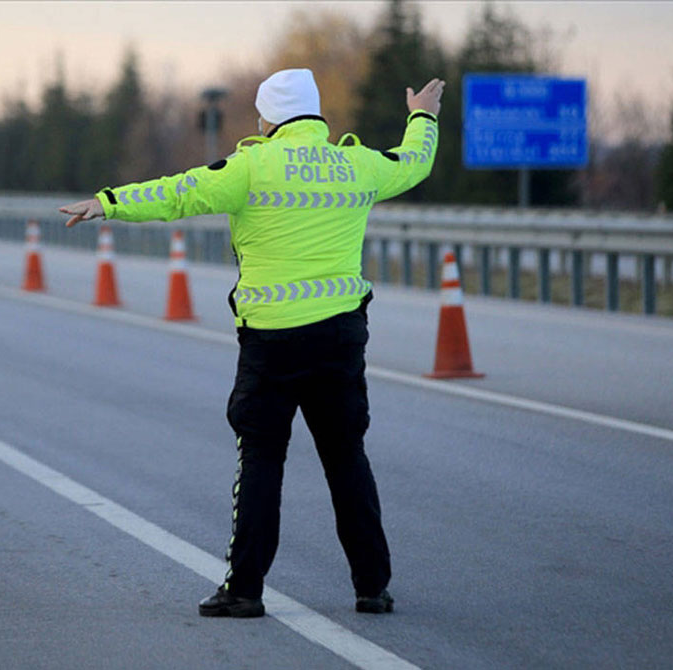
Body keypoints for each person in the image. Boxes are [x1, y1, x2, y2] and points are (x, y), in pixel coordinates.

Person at [60, 68, 443, 617]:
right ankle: (371, 587)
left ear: (269, 117)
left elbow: (179, 193)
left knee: (262, 458)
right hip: (339, 336)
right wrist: (421, 117)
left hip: (272, 343)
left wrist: (109, 202)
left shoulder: (250, 166)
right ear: (313, 113)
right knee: (345, 457)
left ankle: (244, 590)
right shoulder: (356, 163)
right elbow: (414, 163)